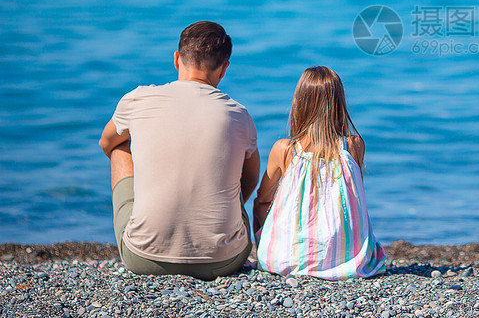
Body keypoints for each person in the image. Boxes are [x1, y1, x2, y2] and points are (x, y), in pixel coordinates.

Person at [98, 21, 260, 280]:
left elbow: (105, 144)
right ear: (224, 68)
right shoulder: (239, 115)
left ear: (176, 59)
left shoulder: (137, 99)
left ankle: (148, 222)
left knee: (120, 148)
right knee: (233, 162)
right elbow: (249, 179)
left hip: (143, 258)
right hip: (224, 259)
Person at [253, 66, 386, 280]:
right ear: (339, 104)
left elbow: (262, 201)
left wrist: (263, 241)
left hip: (287, 260)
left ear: (299, 103)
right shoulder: (354, 146)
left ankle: (271, 251)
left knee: (262, 202)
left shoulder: (285, 150)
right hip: (348, 260)